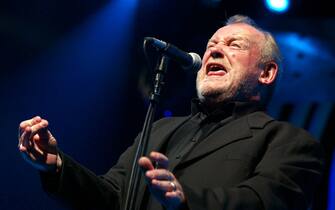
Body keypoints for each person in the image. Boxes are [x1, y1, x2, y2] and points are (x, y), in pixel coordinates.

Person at [18, 15, 324, 210]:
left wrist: (187, 199)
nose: (215, 51)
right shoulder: (161, 130)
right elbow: (113, 197)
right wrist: (56, 165)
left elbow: (264, 202)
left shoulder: (288, 141)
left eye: (235, 45)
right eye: (211, 45)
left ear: (267, 73)